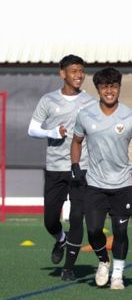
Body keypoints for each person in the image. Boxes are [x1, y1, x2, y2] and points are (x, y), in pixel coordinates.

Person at [71, 67, 132, 290]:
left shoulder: (129, 116)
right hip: (95, 184)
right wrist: (75, 165)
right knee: (94, 230)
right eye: (105, 86)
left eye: (113, 86)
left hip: (122, 184)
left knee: (120, 232)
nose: (109, 91)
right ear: (98, 89)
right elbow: (76, 141)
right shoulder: (85, 115)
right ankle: (104, 261)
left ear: (119, 88)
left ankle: (118, 275)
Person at [28, 54, 97, 280]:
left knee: (77, 217)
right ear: (62, 74)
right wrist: (51, 132)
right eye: (74, 71)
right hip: (55, 167)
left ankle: (69, 267)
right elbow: (32, 129)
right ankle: (60, 239)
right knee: (49, 220)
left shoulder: (90, 102)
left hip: (81, 167)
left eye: (81, 71)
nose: (79, 76)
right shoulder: (48, 100)